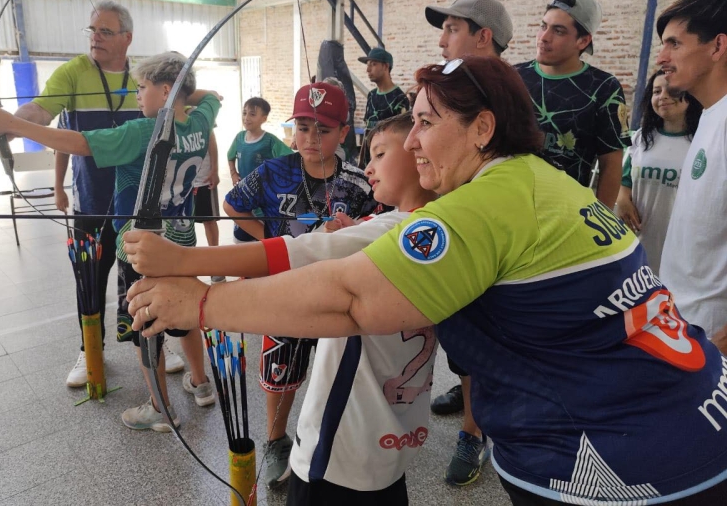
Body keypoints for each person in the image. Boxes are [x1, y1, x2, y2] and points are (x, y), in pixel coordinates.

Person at [128, 56, 727, 506]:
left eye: (423, 123)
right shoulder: (542, 181)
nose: (411, 143)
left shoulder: (479, 205)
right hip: (691, 418)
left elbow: (352, 300)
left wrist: (202, 301)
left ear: (483, 129)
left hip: (631, 462)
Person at [124, 113, 436, 504]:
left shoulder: (391, 231)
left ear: (418, 154)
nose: (368, 166)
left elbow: (296, 252)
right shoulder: (428, 227)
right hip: (394, 436)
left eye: (379, 153)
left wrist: (182, 262)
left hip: (340, 442)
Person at [0, 52, 220, 429]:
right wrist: (184, 87)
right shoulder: (202, 121)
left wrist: (14, 124)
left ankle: (160, 409)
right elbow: (210, 96)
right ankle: (202, 384)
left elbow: (77, 143)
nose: (136, 95)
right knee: (185, 312)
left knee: (147, 322)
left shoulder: (142, 132)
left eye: (142, 88)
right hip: (183, 241)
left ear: (164, 90)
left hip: (142, 247)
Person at [0, 0, 148, 387]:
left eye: (105, 31)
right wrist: (7, 127)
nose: (95, 38)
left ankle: (150, 341)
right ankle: (90, 349)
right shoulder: (73, 73)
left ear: (127, 37)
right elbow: (40, 112)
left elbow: (175, 103)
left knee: (141, 275)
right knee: (89, 278)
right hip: (91, 202)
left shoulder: (142, 74)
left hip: (136, 205)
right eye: (92, 30)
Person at [222, 82, 377, 488]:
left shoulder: (360, 182)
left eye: (322, 130)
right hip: (284, 289)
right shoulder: (274, 170)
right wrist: (269, 243)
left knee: (339, 367)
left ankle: (334, 434)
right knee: (280, 368)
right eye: (303, 127)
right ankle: (275, 441)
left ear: (344, 132)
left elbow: (381, 223)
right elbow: (233, 203)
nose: (310, 138)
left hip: (338, 292)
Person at [423, 0, 514, 485]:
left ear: (484, 37)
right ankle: (468, 397)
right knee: (459, 329)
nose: (442, 40)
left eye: (453, 29)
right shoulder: (450, 87)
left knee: (487, 329)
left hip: (496, 232)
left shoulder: (508, 96)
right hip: (453, 220)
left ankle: (475, 434)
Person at [657, 0, 727, 353]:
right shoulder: (710, 115)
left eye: (674, 44)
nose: (662, 57)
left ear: (717, 47)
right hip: (683, 325)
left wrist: (719, 347)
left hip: (711, 340)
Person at [516, 0, 630, 209]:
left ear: (583, 40)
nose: (544, 37)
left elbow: (611, 163)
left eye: (558, 31)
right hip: (508, 206)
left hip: (564, 215)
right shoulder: (513, 77)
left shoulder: (604, 87)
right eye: (543, 26)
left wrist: (599, 221)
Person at [615, 71, 702, 272]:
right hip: (638, 242)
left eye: (671, 90)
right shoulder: (640, 139)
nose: (662, 96)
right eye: (656, 91)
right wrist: (622, 200)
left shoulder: (701, 142)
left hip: (681, 247)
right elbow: (625, 182)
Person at [227, 97, 293, 243]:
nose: (246, 118)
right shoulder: (239, 138)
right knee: (241, 234)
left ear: (264, 118)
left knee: (264, 235)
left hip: (265, 198)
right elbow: (230, 156)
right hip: (244, 193)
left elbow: (289, 158)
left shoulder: (269, 141)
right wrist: (233, 174)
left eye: (252, 114)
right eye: (244, 113)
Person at [191, 133, 224, 282]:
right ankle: (186, 267)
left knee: (209, 221)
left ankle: (214, 263)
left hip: (204, 179)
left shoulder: (203, 112)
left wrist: (214, 170)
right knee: (182, 225)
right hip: (181, 183)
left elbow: (211, 139)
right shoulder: (169, 112)